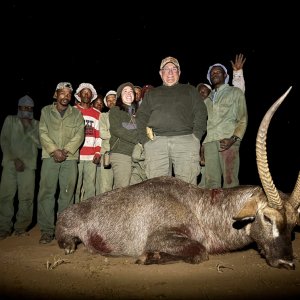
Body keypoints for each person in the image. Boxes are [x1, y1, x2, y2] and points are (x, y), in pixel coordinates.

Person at [136, 56, 207, 185]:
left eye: (174, 69)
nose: (170, 72)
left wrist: (196, 137)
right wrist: (145, 141)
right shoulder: (152, 94)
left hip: (186, 142)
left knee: (187, 187)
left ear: (179, 73)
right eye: (166, 69)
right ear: (160, 73)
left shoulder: (190, 90)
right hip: (156, 144)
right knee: (157, 188)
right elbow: (141, 117)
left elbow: (201, 113)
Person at [37, 82, 84, 244]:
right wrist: (53, 150)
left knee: (67, 195)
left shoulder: (76, 114)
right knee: (47, 194)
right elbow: (42, 132)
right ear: (55, 95)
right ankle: (46, 231)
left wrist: (66, 151)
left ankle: (64, 231)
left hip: (69, 158)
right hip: (50, 157)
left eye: (69, 94)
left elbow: (79, 134)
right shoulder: (45, 111)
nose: (66, 96)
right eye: (62, 93)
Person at [197, 53, 246, 187]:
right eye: (212, 73)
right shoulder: (207, 99)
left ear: (225, 75)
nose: (215, 74)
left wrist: (234, 139)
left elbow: (242, 118)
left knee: (230, 183)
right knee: (210, 186)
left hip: (228, 141)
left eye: (218, 71)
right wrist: (202, 146)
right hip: (209, 144)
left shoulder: (235, 92)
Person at [0, 95, 40, 239]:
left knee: (27, 198)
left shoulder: (36, 124)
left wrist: (29, 128)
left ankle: (21, 227)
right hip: (10, 163)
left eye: (30, 108)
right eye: (24, 107)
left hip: (29, 166)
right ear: (18, 108)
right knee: (6, 197)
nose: (27, 110)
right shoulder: (10, 120)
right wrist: (15, 159)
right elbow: (4, 141)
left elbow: (40, 144)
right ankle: (4, 228)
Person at [74, 83, 101, 203]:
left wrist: (97, 152)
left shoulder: (97, 113)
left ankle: (87, 215)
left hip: (91, 156)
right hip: (75, 155)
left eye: (88, 92)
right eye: (83, 92)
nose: (86, 94)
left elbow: (98, 135)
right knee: (75, 186)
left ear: (91, 96)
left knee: (90, 187)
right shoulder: (72, 111)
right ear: (79, 95)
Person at [109, 82, 139, 189]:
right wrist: (140, 139)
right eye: (125, 91)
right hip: (121, 153)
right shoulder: (115, 111)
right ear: (120, 96)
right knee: (122, 191)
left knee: (136, 190)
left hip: (138, 156)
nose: (128, 93)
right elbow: (118, 130)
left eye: (131, 91)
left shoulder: (140, 112)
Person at [97, 90, 117, 194]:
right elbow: (103, 133)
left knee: (120, 187)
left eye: (114, 99)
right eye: (108, 100)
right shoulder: (103, 116)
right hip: (107, 153)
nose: (111, 102)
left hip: (122, 153)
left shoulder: (126, 115)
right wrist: (120, 134)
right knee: (105, 187)